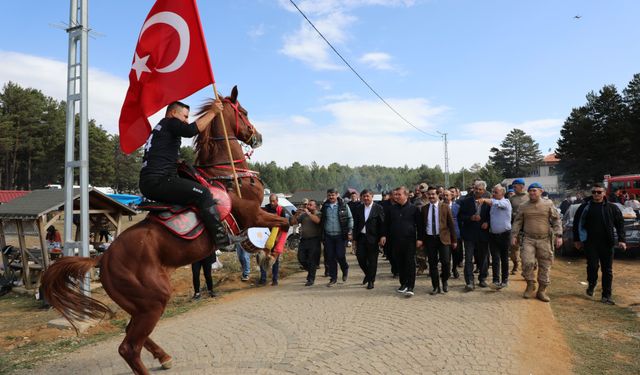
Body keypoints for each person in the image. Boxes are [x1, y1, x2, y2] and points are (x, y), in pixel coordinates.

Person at [138, 100, 233, 247]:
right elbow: (190, 131)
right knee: (203, 193)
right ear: (173, 113)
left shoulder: (160, 128)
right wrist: (213, 112)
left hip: (150, 182)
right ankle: (221, 239)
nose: (186, 121)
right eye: (185, 116)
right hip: (160, 181)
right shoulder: (170, 122)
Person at [572, 184, 626, 305]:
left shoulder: (612, 208)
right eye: (594, 192)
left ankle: (606, 296)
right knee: (592, 266)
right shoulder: (584, 207)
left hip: (607, 243)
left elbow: (620, 224)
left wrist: (622, 240)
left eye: (599, 192)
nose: (596, 194)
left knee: (607, 270)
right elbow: (577, 224)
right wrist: (577, 240)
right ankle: (592, 284)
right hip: (590, 242)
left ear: (604, 193)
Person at [512, 183, 563, 302]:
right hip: (528, 239)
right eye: (530, 191)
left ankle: (542, 290)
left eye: (534, 191)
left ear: (540, 191)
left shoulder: (548, 204)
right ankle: (530, 285)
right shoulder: (523, 206)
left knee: (545, 265)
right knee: (527, 262)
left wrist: (559, 235)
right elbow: (517, 222)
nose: (532, 193)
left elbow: (556, 220)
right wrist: (514, 235)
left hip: (544, 239)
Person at [381, 186, 421, 297]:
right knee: (399, 262)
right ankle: (403, 284)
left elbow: (420, 226)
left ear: (406, 195)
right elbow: (386, 224)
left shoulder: (414, 209)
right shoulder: (391, 209)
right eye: (395, 194)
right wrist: (383, 235)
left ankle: (410, 286)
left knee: (409, 263)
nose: (396, 196)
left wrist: (420, 239)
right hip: (395, 240)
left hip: (409, 240)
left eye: (399, 194)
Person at [419, 186, 457, 294]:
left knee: (446, 262)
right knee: (432, 264)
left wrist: (454, 240)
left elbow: (451, 225)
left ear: (437, 195)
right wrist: (421, 239)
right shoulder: (424, 208)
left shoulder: (445, 207)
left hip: (444, 239)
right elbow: (422, 226)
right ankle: (435, 286)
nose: (431, 196)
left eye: (433, 194)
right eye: (429, 194)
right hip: (430, 239)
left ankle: (444, 280)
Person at [459, 180, 491, 291]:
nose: (477, 191)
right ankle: (469, 281)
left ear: (484, 190)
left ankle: (482, 279)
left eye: (480, 189)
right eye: (476, 189)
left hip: (483, 234)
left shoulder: (488, 202)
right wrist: (470, 218)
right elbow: (460, 216)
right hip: (469, 235)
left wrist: (488, 222)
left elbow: (492, 215)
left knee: (483, 258)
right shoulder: (466, 201)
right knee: (468, 259)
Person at [479, 184, 512, 288]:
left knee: (504, 258)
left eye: (495, 192)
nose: (493, 194)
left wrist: (484, 199)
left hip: (504, 235)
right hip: (493, 235)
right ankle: (495, 280)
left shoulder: (506, 202)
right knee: (495, 258)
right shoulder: (492, 204)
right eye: (492, 192)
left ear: (502, 193)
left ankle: (505, 279)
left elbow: (496, 203)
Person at [352, 189, 385, 290]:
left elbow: (382, 223)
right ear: (361, 197)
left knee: (372, 260)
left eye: (368, 196)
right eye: (364, 196)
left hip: (373, 238)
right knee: (360, 258)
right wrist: (354, 239)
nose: (366, 198)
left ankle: (371, 281)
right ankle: (368, 274)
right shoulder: (358, 208)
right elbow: (356, 224)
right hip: (361, 237)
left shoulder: (378, 208)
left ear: (372, 196)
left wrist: (383, 236)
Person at [320, 188, 353, 287]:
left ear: (337, 195)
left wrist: (350, 231)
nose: (331, 197)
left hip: (340, 235)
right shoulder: (325, 207)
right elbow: (322, 220)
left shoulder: (343, 205)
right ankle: (333, 278)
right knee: (330, 257)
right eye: (329, 195)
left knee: (340, 256)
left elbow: (350, 218)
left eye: (333, 195)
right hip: (328, 236)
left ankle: (345, 268)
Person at [259, 194, 289, 286]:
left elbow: (284, 226)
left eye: (274, 201)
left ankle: (275, 279)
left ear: (277, 201)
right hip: (265, 237)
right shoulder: (265, 209)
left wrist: (277, 238)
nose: (272, 203)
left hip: (276, 238)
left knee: (275, 259)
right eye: (270, 201)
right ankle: (263, 279)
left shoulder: (281, 210)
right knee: (262, 258)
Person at [295, 199, 322, 286]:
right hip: (304, 239)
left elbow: (318, 221)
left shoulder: (318, 214)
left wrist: (308, 213)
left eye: (310, 205)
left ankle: (311, 279)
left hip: (314, 240)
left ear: (315, 206)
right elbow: (292, 222)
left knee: (312, 260)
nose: (308, 206)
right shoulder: (303, 215)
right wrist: (296, 214)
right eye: (307, 205)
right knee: (301, 258)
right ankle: (311, 271)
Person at [508, 178, 529, 275]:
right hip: (515, 226)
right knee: (513, 248)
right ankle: (516, 264)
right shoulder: (512, 199)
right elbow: (508, 212)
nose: (514, 188)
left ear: (522, 186)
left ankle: (528, 267)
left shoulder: (529, 197)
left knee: (527, 249)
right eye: (513, 186)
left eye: (515, 186)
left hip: (528, 227)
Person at [445, 188, 463, 279]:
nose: (445, 197)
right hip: (445, 234)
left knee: (456, 253)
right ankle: (446, 271)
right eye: (443, 195)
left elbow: (460, 221)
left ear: (451, 196)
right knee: (446, 255)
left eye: (447, 195)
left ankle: (454, 268)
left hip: (456, 233)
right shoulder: (440, 207)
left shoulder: (457, 207)